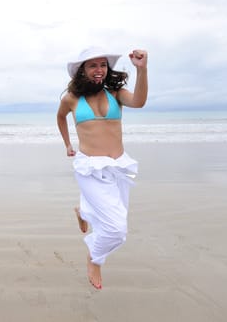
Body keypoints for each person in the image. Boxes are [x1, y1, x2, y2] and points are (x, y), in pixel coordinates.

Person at [56, 46, 148, 289]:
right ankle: (95, 258)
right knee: (117, 230)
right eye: (93, 65)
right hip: (89, 169)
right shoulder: (71, 99)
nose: (99, 70)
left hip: (118, 167)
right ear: (82, 71)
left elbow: (139, 102)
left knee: (117, 221)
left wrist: (142, 70)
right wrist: (67, 144)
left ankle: (82, 212)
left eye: (103, 65)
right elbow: (60, 117)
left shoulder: (116, 93)